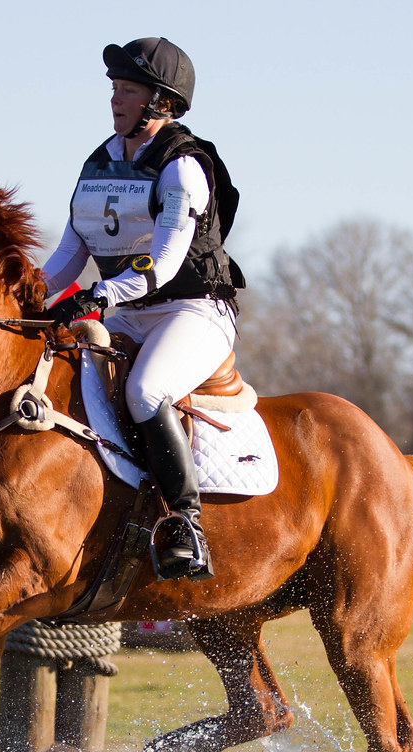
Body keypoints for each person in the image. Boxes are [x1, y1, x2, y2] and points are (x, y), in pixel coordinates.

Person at [42, 37, 244, 583]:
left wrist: (100, 295)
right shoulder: (98, 162)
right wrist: (28, 296)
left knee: (144, 390)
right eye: (114, 89)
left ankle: (185, 521)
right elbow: (68, 255)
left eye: (127, 90)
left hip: (193, 309)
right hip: (128, 312)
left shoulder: (183, 167)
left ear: (160, 101)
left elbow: (164, 261)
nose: (115, 100)